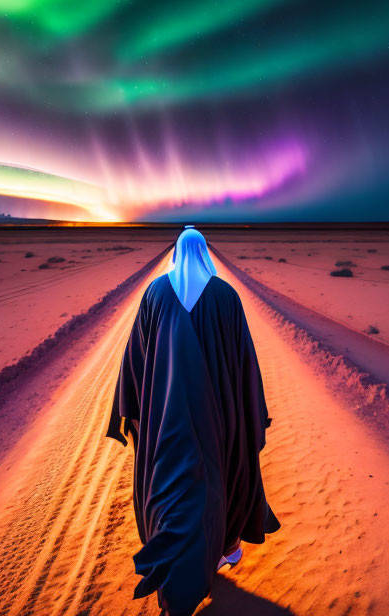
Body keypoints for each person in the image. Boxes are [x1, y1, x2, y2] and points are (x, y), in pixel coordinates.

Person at [105, 225, 280, 616]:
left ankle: (178, 568)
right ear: (204, 253)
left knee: (171, 487)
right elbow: (243, 364)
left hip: (166, 415)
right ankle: (222, 549)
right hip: (221, 415)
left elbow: (136, 358)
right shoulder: (225, 296)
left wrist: (134, 409)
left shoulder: (155, 293)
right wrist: (250, 412)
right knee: (223, 476)